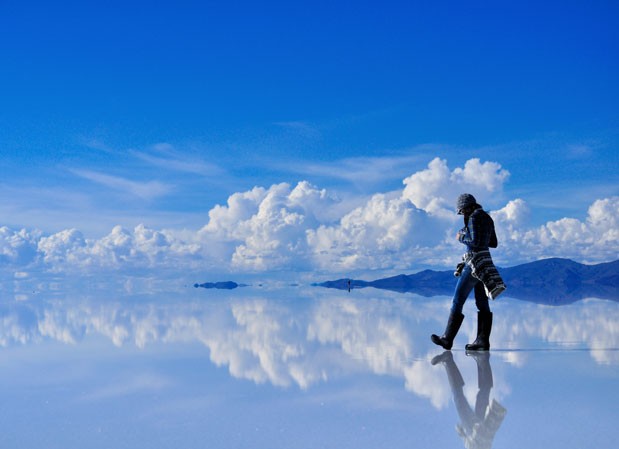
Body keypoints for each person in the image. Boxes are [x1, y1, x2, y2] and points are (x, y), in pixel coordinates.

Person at [431, 193, 501, 351]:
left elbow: (474, 241)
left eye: (462, 211)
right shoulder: (488, 218)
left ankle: (447, 339)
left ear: (467, 207)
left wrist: (461, 236)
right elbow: (493, 243)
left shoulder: (473, 218)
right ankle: (482, 341)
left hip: (474, 263)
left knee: (458, 299)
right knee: (482, 302)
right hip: (485, 263)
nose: (462, 214)